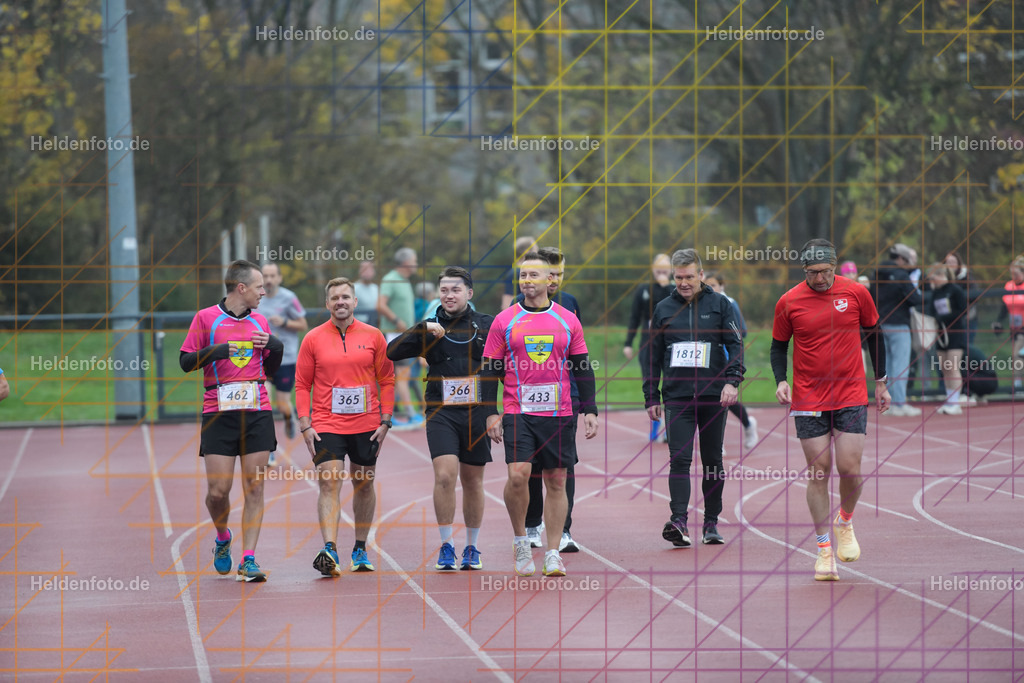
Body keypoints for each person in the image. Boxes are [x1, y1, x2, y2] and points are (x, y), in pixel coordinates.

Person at [772, 239, 890, 581]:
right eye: (813, 272)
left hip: (851, 392)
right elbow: (778, 347)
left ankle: (846, 522)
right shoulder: (789, 301)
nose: (820, 278)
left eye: (825, 271)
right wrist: (781, 380)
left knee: (849, 468)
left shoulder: (855, 293)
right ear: (803, 271)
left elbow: (874, 334)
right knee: (819, 471)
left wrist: (880, 382)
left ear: (835, 267)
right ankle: (824, 551)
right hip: (809, 397)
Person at [481, 252, 599, 578]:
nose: (526, 281)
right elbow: (489, 370)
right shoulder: (504, 320)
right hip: (518, 410)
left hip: (559, 412)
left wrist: (589, 409)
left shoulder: (567, 319)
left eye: (534, 275)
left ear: (550, 280)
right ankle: (521, 540)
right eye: (523, 275)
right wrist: (490, 413)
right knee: (518, 475)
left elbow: (582, 367)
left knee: (557, 481)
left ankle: (552, 552)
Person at [180, 259, 284, 582]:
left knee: (254, 488)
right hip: (218, 413)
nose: (263, 291)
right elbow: (185, 362)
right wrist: (216, 351)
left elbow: (272, 367)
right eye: (258, 287)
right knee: (217, 491)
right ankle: (223, 537)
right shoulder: (205, 318)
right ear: (241, 288)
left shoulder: (261, 321)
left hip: (256, 412)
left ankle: (249, 559)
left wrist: (276, 346)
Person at [386, 266, 495, 570]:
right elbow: (391, 352)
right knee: (445, 476)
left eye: (455, 290)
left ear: (469, 294)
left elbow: (498, 368)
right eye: (444, 290)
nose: (449, 295)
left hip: (477, 412)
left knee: (473, 481)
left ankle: (472, 547)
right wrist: (421, 330)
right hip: (441, 412)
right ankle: (446, 544)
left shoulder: (486, 325)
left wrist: (493, 413)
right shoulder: (429, 326)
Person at [644, 250, 744, 548]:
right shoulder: (663, 309)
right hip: (678, 398)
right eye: (679, 278)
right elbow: (652, 357)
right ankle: (679, 521)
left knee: (712, 461)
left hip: (714, 397)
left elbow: (736, 346)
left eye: (689, 277)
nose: (684, 283)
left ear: (701, 275)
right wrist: (651, 396)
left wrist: (732, 382)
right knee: (680, 460)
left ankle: (711, 522)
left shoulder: (721, 305)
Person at [295, 277, 395, 576]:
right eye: (335, 298)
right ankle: (330, 549)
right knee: (329, 482)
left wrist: (386, 419)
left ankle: (360, 548)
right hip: (327, 422)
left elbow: (387, 379)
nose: (340, 302)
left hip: (367, 424)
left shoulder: (375, 336)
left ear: (355, 302)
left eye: (345, 297)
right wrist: (305, 423)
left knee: (363, 484)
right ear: (327, 304)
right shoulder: (312, 338)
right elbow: (302, 383)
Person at [513, 247, 583, 553]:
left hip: (565, 397)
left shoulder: (569, 306)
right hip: (526, 399)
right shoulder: (517, 309)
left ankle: (564, 529)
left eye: (559, 274)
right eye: (550, 272)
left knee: (563, 467)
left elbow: (577, 354)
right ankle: (531, 524)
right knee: (530, 465)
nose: (554, 279)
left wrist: (585, 401)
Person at [257, 262, 308, 465]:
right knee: (264, 402)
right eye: (265, 276)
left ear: (279, 278)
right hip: (262, 358)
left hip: (286, 358)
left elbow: (303, 324)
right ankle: (269, 448)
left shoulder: (289, 298)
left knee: (282, 404)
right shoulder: (256, 297)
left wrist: (285, 322)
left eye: (272, 276)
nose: (268, 280)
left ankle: (288, 417)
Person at [703, 270, 758, 450]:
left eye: (713, 285)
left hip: (727, 360)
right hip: (707, 361)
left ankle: (739, 430)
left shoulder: (729, 303)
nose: (709, 289)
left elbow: (742, 332)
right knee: (717, 400)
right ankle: (747, 425)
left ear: (722, 286)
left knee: (721, 400)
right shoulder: (702, 304)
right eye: (706, 285)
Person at [623, 253, 674, 442]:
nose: (661, 272)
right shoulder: (643, 290)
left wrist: (666, 287)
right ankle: (654, 424)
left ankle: (670, 427)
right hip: (648, 343)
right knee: (650, 382)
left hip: (670, 343)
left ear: (670, 270)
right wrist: (628, 343)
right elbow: (634, 317)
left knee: (670, 383)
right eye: (658, 269)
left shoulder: (675, 289)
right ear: (653, 269)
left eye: (665, 269)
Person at [869, 243, 922, 417]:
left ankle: (888, 404)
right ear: (900, 259)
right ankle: (899, 403)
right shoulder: (901, 275)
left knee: (888, 367)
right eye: (906, 260)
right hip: (899, 324)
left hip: (880, 324)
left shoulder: (877, 273)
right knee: (900, 366)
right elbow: (915, 299)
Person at [378, 247, 423, 429]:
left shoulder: (405, 281)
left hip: (404, 334)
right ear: (406, 262)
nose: (416, 264)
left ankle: (389, 415)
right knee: (402, 376)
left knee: (398, 378)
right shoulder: (391, 279)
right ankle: (411, 415)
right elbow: (380, 305)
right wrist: (396, 320)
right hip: (394, 334)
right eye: (414, 260)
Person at [925, 264, 969, 415]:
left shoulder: (955, 290)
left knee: (952, 366)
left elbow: (963, 310)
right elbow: (931, 311)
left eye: (933, 278)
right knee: (944, 368)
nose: (932, 281)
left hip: (955, 333)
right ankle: (950, 400)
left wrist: (944, 317)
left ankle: (955, 402)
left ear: (940, 276)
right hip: (941, 335)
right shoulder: (936, 292)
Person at [992, 255, 1024, 393]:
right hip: (1014, 328)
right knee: (1017, 356)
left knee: (1017, 354)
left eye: (1016, 273)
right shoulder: (1009, 286)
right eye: (1012, 273)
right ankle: (1018, 385)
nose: (1014, 276)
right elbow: (1005, 306)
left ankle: (1017, 385)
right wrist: (998, 321)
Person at [944, 251, 980, 344]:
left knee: (967, 345)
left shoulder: (967, 277)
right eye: (948, 262)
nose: (951, 265)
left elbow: (974, 295)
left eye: (953, 262)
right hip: (948, 319)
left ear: (958, 263)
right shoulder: (943, 279)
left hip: (966, 318)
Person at [499, 236, 538, 310]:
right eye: (535, 249)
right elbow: (507, 304)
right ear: (527, 252)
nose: (538, 253)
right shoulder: (515, 273)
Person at [353, 261, 380, 327]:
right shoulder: (353, 288)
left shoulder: (376, 288)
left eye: (370, 269)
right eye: (364, 269)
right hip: (358, 327)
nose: (367, 272)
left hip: (374, 326)